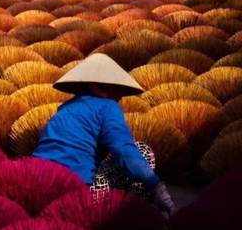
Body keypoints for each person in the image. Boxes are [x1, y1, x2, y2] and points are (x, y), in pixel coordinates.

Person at [33, 54, 175, 216]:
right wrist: (156, 186)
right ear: (102, 86)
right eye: (118, 88)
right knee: (142, 152)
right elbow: (123, 149)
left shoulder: (65, 108)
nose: (121, 96)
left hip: (38, 182)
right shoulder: (108, 106)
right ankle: (137, 215)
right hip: (77, 192)